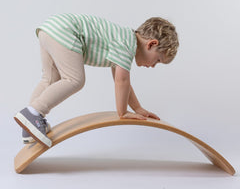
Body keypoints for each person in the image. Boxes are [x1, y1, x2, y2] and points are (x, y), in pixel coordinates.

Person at [14, 13, 179, 148]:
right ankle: (34, 113)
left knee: (50, 79)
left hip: (49, 29)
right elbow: (121, 81)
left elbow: (122, 80)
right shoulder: (128, 45)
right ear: (151, 44)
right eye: (157, 60)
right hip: (65, 31)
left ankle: (29, 127)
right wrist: (123, 112)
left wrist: (137, 107)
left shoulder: (122, 38)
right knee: (75, 79)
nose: (153, 66)